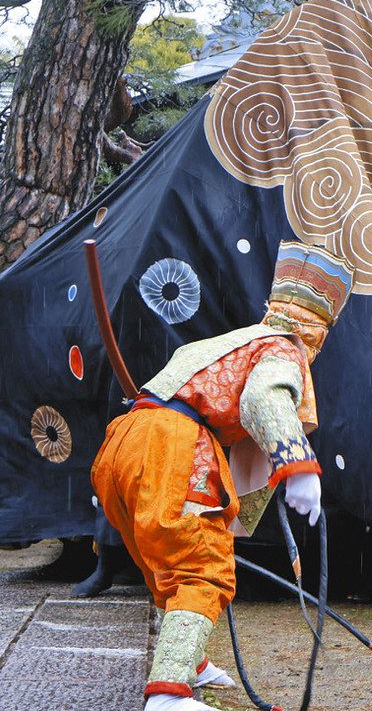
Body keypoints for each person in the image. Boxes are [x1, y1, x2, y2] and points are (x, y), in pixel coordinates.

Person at [90, 241, 353, 711]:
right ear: (316, 329)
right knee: (200, 570)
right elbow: (262, 400)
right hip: (173, 447)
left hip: (123, 442)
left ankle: (189, 663)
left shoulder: (229, 343)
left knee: (168, 568)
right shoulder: (281, 348)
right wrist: (296, 465)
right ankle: (167, 695)